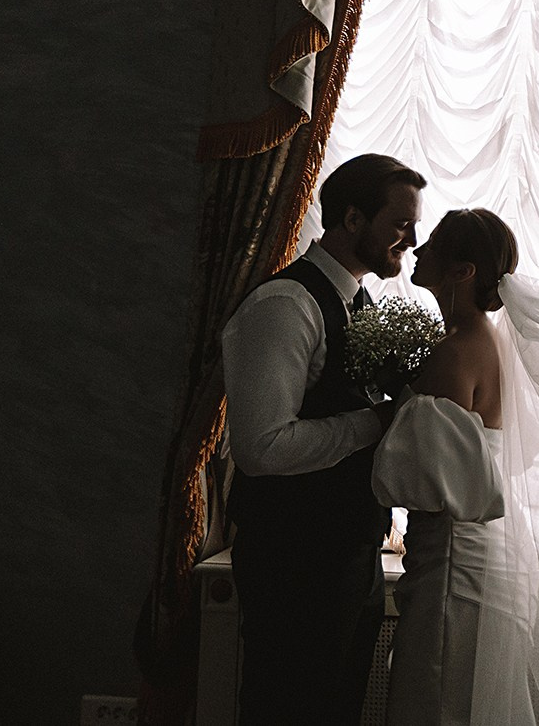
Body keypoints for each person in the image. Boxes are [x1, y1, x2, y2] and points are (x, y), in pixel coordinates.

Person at [222, 153, 425, 726]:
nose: (412, 241)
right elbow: (262, 447)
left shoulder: (359, 303)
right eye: (401, 223)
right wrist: (377, 422)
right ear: (353, 218)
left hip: (350, 554)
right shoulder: (285, 305)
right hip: (293, 562)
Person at [372, 208, 522, 725]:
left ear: (464, 271)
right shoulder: (486, 339)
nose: (418, 250)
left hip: (451, 561)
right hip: (473, 550)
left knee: (434, 704)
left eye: (433, 245)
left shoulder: (454, 352)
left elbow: (413, 474)